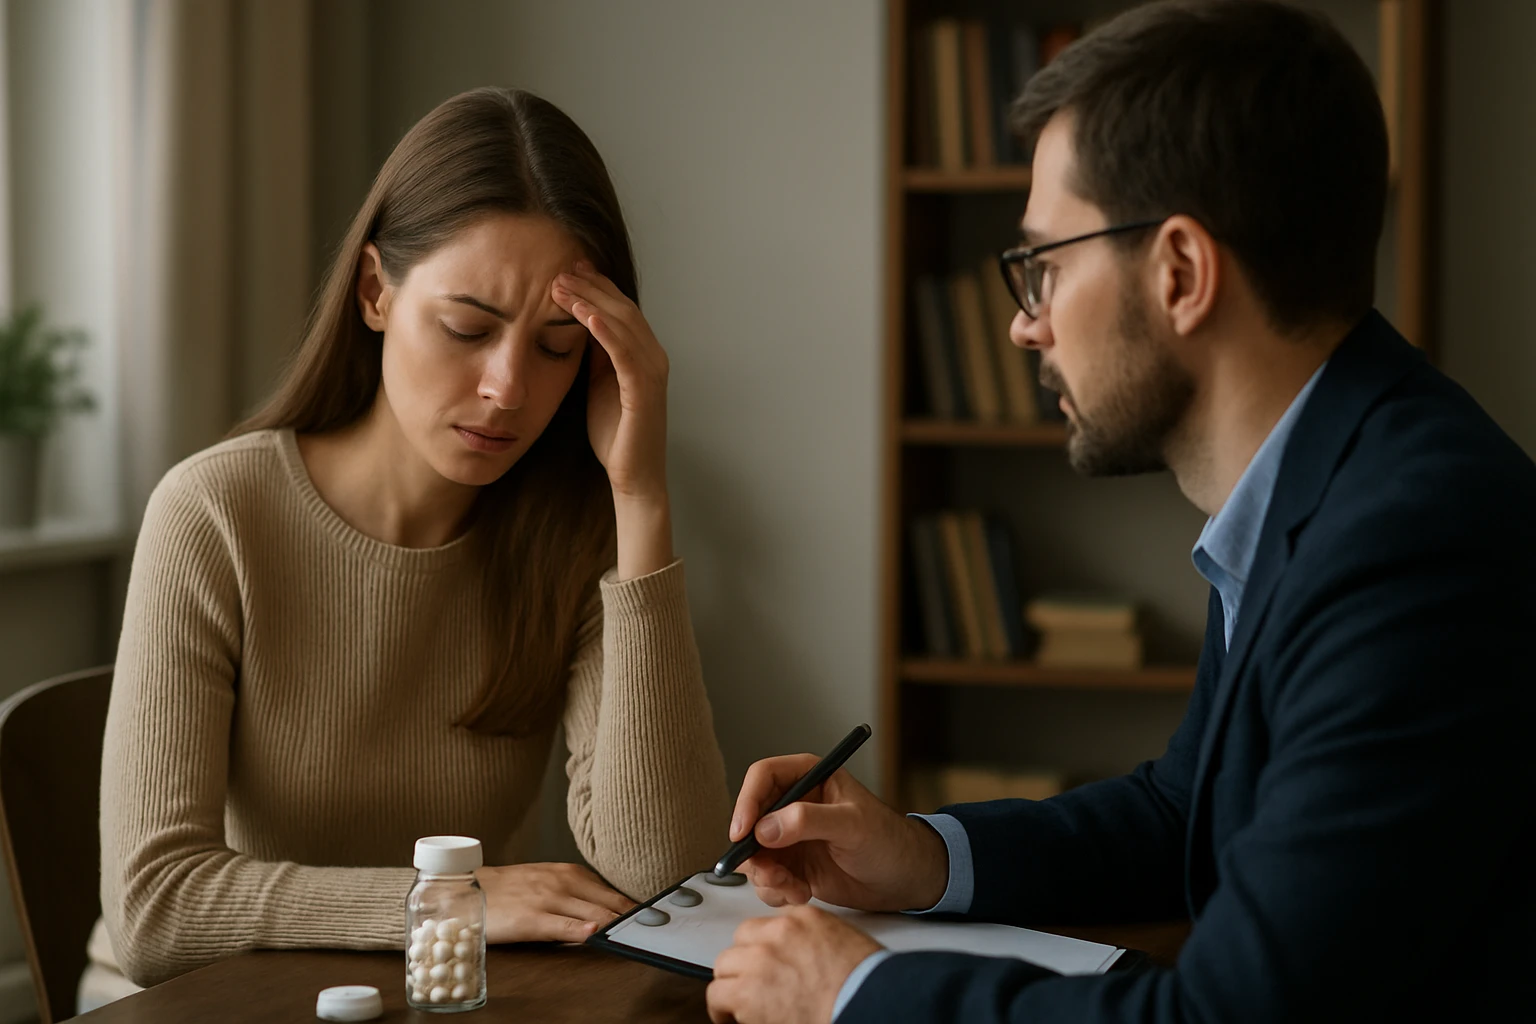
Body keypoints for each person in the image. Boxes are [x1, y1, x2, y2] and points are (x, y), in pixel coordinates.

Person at [705, 2, 1536, 1022]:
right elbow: (1186, 809)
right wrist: (919, 857)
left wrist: (857, 988)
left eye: (1045, 263)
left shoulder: (1409, 544)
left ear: (1180, 272)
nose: (1023, 323)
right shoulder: (1337, 480)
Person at [88, 87, 729, 1002]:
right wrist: (446, 903)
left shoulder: (575, 536)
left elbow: (666, 872)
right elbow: (154, 912)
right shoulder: (215, 513)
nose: (508, 388)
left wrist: (641, 496)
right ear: (375, 289)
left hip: (443, 1002)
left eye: (555, 346)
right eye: (467, 328)